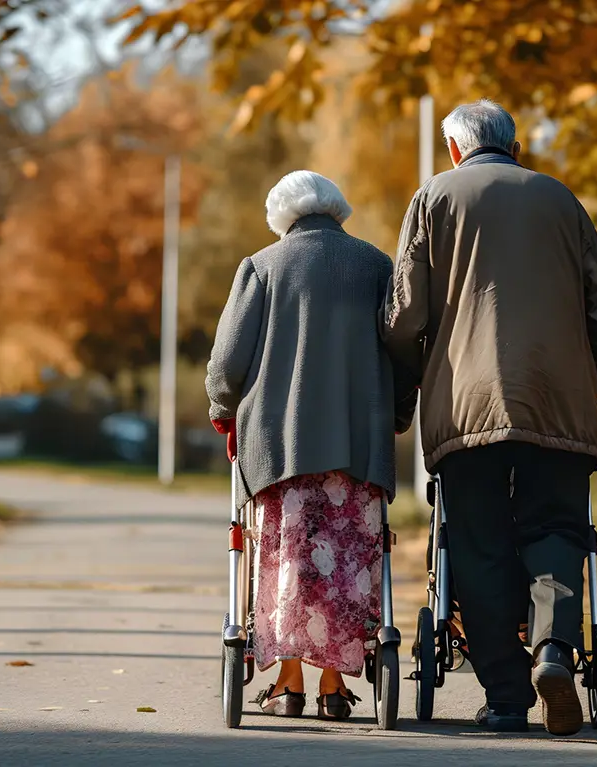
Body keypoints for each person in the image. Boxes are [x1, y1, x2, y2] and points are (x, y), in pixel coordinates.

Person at [381, 100, 597, 736]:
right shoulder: (561, 200)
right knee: (556, 529)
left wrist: (403, 397)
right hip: (557, 399)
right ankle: (553, 648)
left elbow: (405, 317)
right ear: (514, 146)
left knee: (478, 544)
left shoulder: (435, 199)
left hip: (467, 407)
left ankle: (506, 696)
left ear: (455, 150)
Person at [206, 170, 416, 720]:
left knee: (287, 559)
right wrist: (397, 414)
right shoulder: (375, 267)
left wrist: (221, 408)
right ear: (335, 209)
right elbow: (399, 350)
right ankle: (332, 685)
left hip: (281, 449)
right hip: (357, 444)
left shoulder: (261, 267)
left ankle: (288, 682)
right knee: (349, 560)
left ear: (283, 216)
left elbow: (228, 363)